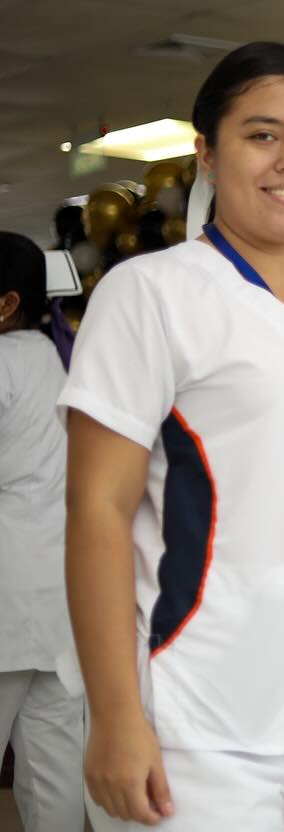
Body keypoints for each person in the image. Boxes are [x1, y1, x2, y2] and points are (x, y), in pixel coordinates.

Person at [60, 42, 284, 830]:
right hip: (199, 719)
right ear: (207, 153)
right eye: (262, 135)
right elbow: (97, 511)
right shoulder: (152, 294)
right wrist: (115, 716)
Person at [0, 231, 84, 830]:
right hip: (60, 599)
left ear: (6, 303)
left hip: (7, 594)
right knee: (55, 771)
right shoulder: (62, 361)